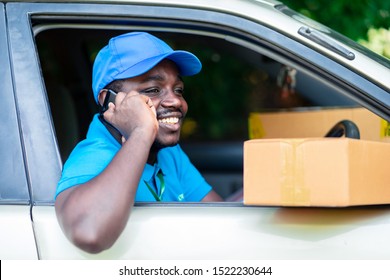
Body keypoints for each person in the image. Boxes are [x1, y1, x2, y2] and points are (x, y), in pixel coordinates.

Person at [55, 32, 222, 254]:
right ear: (110, 100)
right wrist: (141, 132)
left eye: (178, 90)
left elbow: (219, 219)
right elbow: (89, 233)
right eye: (153, 90)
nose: (175, 101)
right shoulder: (94, 155)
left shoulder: (169, 152)